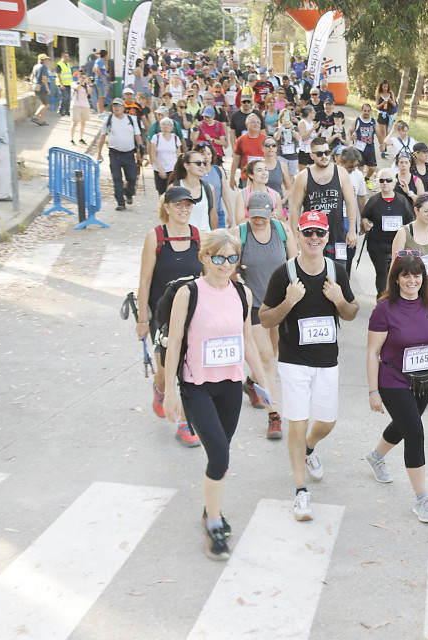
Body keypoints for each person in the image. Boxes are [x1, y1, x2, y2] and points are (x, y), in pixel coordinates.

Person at [162, 229, 268, 560]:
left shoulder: (242, 293)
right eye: (219, 257)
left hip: (231, 385)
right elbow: (174, 343)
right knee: (220, 455)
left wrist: (262, 381)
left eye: (232, 257)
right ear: (205, 257)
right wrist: (169, 392)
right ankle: (213, 522)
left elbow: (247, 340)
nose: (226, 264)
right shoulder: (189, 293)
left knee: (219, 455)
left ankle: (211, 508)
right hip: (197, 386)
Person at [259, 210, 359, 521]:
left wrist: (339, 299)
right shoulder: (284, 274)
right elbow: (265, 319)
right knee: (298, 423)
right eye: (308, 233)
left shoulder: (336, 272)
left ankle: (309, 449)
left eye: (319, 233)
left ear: (327, 237)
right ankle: (300, 490)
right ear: (299, 235)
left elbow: (351, 312)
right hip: (293, 361)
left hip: (327, 361)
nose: (314, 238)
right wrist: (289, 301)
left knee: (326, 422)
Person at [365, 253, 428, 522]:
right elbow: (372, 352)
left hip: (424, 381)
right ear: (396, 278)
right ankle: (422, 499)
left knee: (405, 425)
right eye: (405, 275)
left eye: (417, 275)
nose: (412, 280)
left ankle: (375, 456)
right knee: (415, 433)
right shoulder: (384, 309)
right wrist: (373, 392)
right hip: (393, 380)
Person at [136, 186, 204, 447]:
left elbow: (206, 277)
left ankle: (186, 423)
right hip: (161, 318)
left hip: (191, 316)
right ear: (167, 206)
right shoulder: (155, 237)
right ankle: (160, 387)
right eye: (178, 204)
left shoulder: (198, 237)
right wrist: (142, 320)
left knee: (188, 371)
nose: (183, 209)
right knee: (166, 371)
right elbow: (145, 281)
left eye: (188, 205)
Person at [234, 192, 297, 440]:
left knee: (274, 352)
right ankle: (274, 415)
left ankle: (252, 382)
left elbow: (295, 264)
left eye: (263, 215)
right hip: (253, 306)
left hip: (279, 305)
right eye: (254, 215)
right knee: (267, 358)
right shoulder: (239, 233)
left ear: (272, 212)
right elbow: (226, 265)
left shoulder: (282, 231)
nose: (258, 220)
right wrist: (236, 275)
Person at [290, 137, 359, 268]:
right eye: (319, 154)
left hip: (336, 235)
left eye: (327, 153)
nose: (324, 157)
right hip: (312, 237)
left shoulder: (341, 173)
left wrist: (351, 230)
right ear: (312, 155)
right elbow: (295, 207)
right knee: (313, 273)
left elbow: (350, 203)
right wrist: (294, 235)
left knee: (338, 273)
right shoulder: (303, 177)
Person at [361, 169, 415, 296]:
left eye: (388, 180)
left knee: (398, 273)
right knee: (382, 273)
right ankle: (382, 300)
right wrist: (365, 222)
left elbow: (410, 221)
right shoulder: (374, 200)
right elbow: (364, 216)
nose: (385, 183)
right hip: (377, 243)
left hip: (398, 243)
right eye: (382, 180)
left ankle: (396, 299)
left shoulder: (402, 200)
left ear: (394, 182)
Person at [96, 99, 142, 211]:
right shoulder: (108, 120)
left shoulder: (131, 119)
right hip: (114, 153)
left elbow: (137, 136)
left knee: (132, 178)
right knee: (117, 179)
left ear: (123, 107)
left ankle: (129, 193)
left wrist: (140, 152)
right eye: (114, 105)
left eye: (119, 105)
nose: (116, 107)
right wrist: (99, 153)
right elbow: (102, 136)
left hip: (129, 153)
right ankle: (120, 202)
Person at [168, 151, 217, 232]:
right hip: (182, 236)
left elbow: (213, 215)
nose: (202, 166)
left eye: (204, 163)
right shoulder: (174, 188)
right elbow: (167, 216)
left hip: (204, 237)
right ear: (186, 166)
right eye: (198, 163)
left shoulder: (209, 188)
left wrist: (214, 236)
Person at [233, 158, 281, 226]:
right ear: (251, 175)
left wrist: (276, 218)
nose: (264, 173)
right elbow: (239, 222)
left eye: (266, 169)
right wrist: (265, 217)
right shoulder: (242, 195)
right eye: (259, 170)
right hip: (249, 232)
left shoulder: (275, 195)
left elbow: (282, 221)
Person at [196, 142, 233, 228]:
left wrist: (230, 212)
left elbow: (224, 194)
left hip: (218, 213)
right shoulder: (195, 172)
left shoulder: (218, 170)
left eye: (209, 154)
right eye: (202, 154)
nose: (206, 157)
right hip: (200, 215)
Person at [230, 114, 266, 189]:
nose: (256, 124)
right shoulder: (241, 140)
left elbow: (273, 158)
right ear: (247, 124)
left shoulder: (266, 140)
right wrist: (232, 178)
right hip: (247, 177)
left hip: (263, 177)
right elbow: (236, 159)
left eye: (258, 122)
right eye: (253, 122)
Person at [149, 117, 182, 195]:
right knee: (161, 192)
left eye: (168, 125)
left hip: (172, 169)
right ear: (160, 126)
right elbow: (153, 154)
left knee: (172, 191)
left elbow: (178, 154)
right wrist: (160, 168)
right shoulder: (156, 138)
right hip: (159, 169)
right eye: (163, 124)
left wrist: (178, 169)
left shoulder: (176, 138)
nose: (166, 126)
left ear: (172, 127)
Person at [349, 103, 382, 182]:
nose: (366, 112)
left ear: (370, 111)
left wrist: (382, 144)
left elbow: (379, 133)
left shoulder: (373, 121)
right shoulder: (357, 121)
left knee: (372, 168)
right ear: (361, 110)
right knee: (360, 168)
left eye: (368, 111)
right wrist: (350, 137)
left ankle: (367, 179)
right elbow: (349, 132)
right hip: (359, 149)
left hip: (370, 148)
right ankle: (360, 184)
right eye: (364, 111)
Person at [30, 54, 51, 126]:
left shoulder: (35, 66)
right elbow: (44, 78)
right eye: (46, 59)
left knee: (42, 104)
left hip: (36, 87)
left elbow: (32, 77)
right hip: (42, 87)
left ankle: (41, 120)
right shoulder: (43, 67)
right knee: (46, 105)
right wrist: (47, 89)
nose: (47, 61)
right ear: (43, 60)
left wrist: (32, 88)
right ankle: (35, 117)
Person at [70, 73, 91, 145]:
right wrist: (81, 83)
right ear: (78, 78)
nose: (84, 79)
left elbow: (89, 92)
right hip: (76, 105)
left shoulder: (86, 86)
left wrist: (90, 84)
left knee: (83, 123)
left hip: (85, 105)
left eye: (85, 78)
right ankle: (72, 139)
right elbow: (76, 88)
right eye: (82, 78)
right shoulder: (74, 83)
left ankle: (81, 138)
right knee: (75, 123)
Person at [55, 52, 73, 117]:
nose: (67, 58)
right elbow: (58, 75)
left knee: (68, 98)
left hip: (68, 84)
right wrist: (61, 84)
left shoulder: (68, 64)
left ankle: (67, 111)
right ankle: (61, 111)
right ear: (62, 57)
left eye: (68, 56)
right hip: (62, 84)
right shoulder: (59, 65)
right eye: (65, 56)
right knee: (64, 97)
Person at [94, 50, 109, 115]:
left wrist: (105, 74)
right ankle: (100, 112)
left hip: (101, 81)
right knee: (101, 97)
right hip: (101, 82)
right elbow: (97, 70)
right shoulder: (100, 61)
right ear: (105, 55)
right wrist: (102, 78)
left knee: (102, 97)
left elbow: (94, 70)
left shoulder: (98, 61)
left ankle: (101, 111)